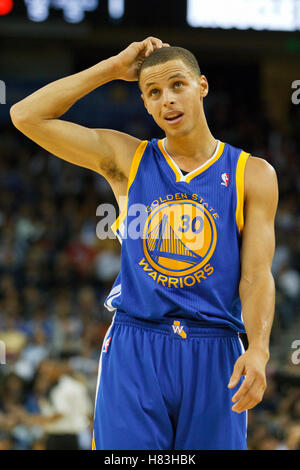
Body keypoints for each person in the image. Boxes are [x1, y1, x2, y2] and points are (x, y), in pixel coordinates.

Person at [10, 37, 278, 450]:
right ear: (145, 104)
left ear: (201, 86)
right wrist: (111, 68)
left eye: (176, 85)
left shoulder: (252, 173)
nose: (167, 100)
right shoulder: (128, 159)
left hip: (216, 348)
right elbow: (25, 115)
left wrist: (259, 349)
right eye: (153, 93)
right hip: (137, 344)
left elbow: (257, 276)